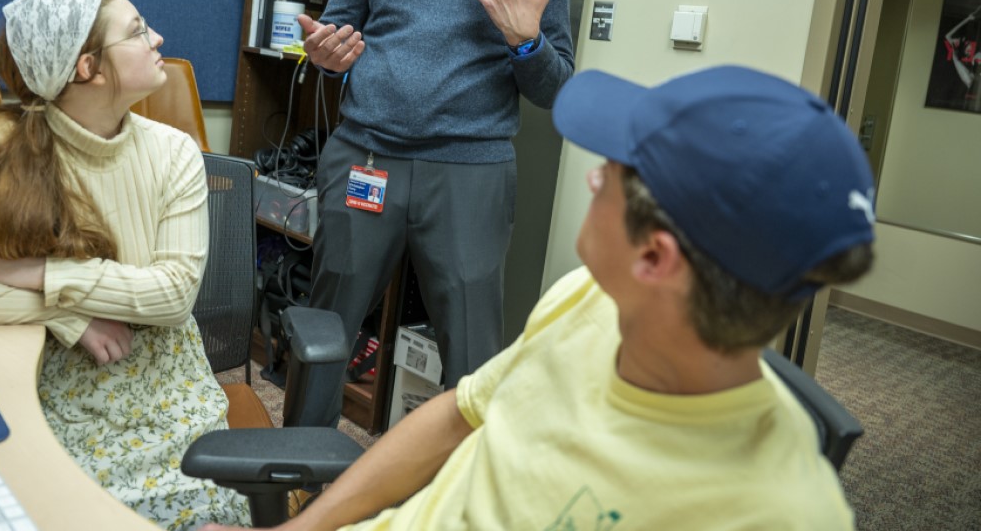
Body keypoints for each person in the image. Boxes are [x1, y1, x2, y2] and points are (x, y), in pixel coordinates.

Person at [201, 64, 876, 531]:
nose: (593, 181)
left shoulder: (779, 512)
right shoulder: (590, 297)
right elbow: (459, 414)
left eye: (614, 168)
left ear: (654, 257)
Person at [0, 0, 249, 530]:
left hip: (162, 383)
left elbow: (174, 295)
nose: (158, 38)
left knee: (199, 513)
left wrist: (42, 273)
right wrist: (65, 311)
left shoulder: (174, 152)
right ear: (87, 68)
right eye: (135, 31)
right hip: (52, 375)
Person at [294, 0, 574, 427]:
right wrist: (325, 53)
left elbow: (557, 88)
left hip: (470, 172)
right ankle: (298, 481)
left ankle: (458, 499)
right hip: (366, 157)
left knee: (474, 356)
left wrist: (525, 40)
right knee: (323, 331)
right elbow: (338, 31)